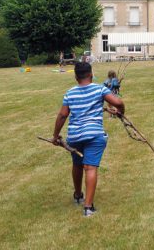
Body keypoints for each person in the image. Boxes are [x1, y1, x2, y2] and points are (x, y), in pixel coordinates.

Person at [52, 62, 125, 217]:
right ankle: (88, 207)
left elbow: (62, 115)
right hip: (94, 135)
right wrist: (120, 112)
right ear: (91, 74)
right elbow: (118, 102)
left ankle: (78, 195)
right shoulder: (99, 89)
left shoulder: (70, 93)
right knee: (90, 168)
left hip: (75, 136)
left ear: (75, 77)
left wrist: (55, 135)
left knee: (77, 165)